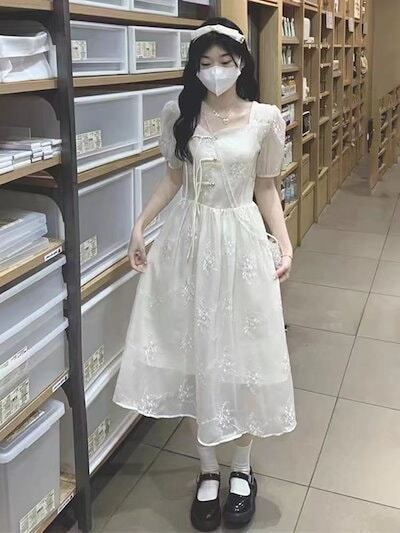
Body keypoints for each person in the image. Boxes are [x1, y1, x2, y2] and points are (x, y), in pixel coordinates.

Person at [113, 16, 297, 531]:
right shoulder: (180, 113)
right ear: (194, 67)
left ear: (241, 63)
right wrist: (141, 224)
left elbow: (265, 188)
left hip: (240, 241)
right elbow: (174, 179)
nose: (216, 71)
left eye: (225, 61)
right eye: (206, 62)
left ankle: (242, 467)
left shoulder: (264, 118)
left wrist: (284, 244)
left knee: (246, 355)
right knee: (198, 354)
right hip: (188, 241)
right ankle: (208, 469)